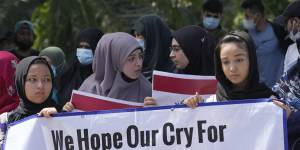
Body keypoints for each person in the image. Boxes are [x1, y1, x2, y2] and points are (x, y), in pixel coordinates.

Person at [63, 32, 151, 111]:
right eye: (131, 59)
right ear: (114, 59)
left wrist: (154, 112)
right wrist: (68, 112)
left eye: (140, 56)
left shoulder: (147, 91)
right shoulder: (88, 89)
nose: (139, 63)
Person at [0, 56, 61, 145]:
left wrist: (61, 118)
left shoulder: (64, 116)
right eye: (32, 79)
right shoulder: (5, 122)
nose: (40, 86)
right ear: (20, 82)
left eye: (47, 79)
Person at [241, 0, 285, 87]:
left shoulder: (279, 32)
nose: (245, 20)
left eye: (247, 16)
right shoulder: (246, 35)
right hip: (256, 88)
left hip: (279, 88)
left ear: (258, 15)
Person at [57, 27, 103, 107]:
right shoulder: (68, 74)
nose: (83, 50)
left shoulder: (105, 78)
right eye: (80, 46)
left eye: (87, 47)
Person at [132, 14, 175, 81]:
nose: (136, 40)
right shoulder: (137, 65)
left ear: (152, 36)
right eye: (135, 36)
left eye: (139, 35)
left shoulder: (176, 66)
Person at [280, 1, 300, 72]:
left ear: (295, 22)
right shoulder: (290, 50)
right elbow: (284, 81)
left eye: (286, 23)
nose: (285, 29)